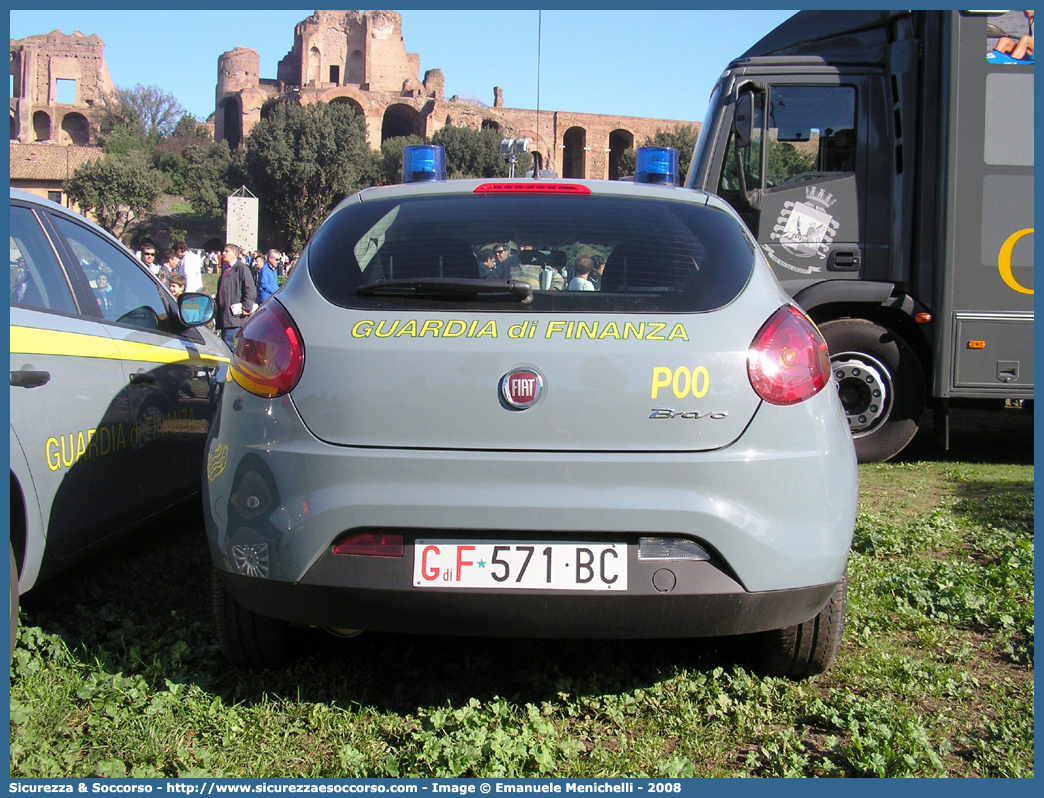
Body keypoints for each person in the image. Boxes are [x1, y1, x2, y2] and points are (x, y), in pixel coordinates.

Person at [215, 243, 257, 349]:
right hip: (224, 314)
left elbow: (250, 290)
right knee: (225, 343)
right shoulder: (225, 269)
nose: (223, 253)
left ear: (234, 254)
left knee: (230, 345)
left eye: (226, 251)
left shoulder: (241, 269)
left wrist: (246, 307)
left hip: (235, 317)